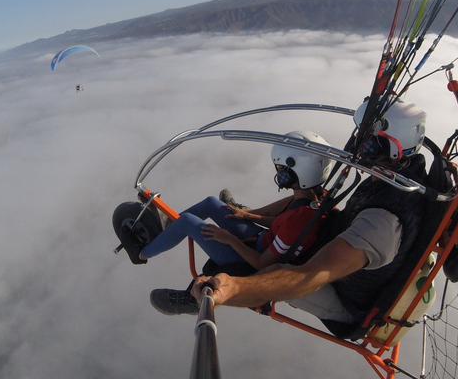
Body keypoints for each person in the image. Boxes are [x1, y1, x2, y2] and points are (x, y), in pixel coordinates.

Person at [191, 98, 430, 328]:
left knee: (277, 271)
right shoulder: (398, 179)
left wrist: (235, 288)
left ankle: (194, 297)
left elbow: (312, 276)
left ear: (394, 147)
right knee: (313, 201)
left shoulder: (381, 224)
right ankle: (246, 215)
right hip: (338, 257)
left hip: (347, 300)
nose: (359, 142)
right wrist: (250, 215)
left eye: (369, 139)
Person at [119, 130, 334, 314]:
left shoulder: (299, 221)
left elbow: (262, 264)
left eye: (281, 169)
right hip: (259, 241)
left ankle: (141, 253)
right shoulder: (314, 197)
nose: (279, 173)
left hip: (247, 262)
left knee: (187, 221)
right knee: (212, 203)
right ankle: (167, 230)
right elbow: (280, 218)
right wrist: (247, 215)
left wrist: (229, 239)